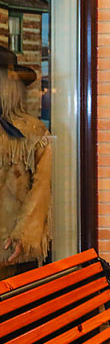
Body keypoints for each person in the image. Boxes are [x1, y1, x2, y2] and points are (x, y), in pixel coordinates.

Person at [1, 48, 51, 272]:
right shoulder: (32, 130)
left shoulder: (32, 130)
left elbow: (44, 185)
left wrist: (24, 235)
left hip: (11, 247)